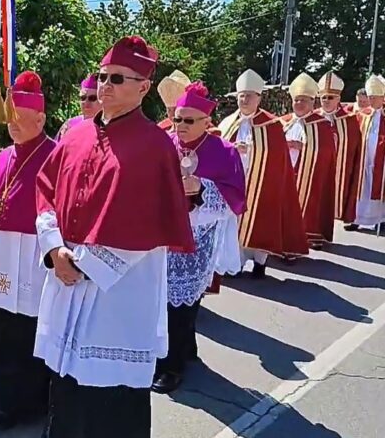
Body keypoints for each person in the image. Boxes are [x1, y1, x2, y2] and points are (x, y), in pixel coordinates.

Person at [35, 35, 194, 438]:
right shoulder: (75, 136)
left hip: (119, 291)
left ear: (143, 87)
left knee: (110, 397)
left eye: (118, 78)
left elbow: (151, 221)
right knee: (66, 386)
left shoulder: (155, 146)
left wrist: (83, 266)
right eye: (103, 76)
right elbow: (46, 189)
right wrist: (54, 249)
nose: (105, 85)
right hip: (66, 275)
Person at [152, 82, 245, 395]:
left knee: (181, 303)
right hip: (162, 234)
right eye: (177, 119)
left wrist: (202, 188)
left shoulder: (224, 151)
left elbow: (235, 198)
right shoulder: (165, 144)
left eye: (188, 120)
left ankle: (171, 366)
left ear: (207, 122)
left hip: (197, 237)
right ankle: (185, 349)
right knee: (161, 300)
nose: (179, 126)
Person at [0, 71, 56, 430]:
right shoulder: (3, 157)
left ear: (40, 119)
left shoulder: (56, 156)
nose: (12, 125)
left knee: (29, 328)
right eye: (10, 118)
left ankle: (26, 401)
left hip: (34, 256)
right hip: (1, 253)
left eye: (20, 119)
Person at [218, 70, 308, 278]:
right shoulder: (228, 122)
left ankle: (260, 263)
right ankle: (236, 263)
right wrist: (231, 149)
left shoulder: (272, 124)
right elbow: (218, 147)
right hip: (234, 182)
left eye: (249, 96)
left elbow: (277, 155)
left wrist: (250, 150)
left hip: (261, 182)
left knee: (261, 221)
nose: (245, 100)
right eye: (242, 95)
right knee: (233, 223)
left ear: (259, 98)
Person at [282, 73, 337, 248]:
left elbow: (327, 151)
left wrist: (303, 147)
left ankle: (308, 235)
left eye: (304, 100)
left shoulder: (321, 124)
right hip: (285, 172)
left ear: (313, 102)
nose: (299, 103)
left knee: (310, 202)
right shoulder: (284, 121)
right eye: (296, 100)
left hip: (308, 173)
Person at [317, 72, 363, 229]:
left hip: (339, 169)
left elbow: (356, 150)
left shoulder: (349, 120)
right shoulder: (312, 118)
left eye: (330, 97)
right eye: (323, 97)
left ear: (338, 99)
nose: (326, 100)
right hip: (316, 167)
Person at [348, 75, 385, 231]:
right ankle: (356, 219)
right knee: (361, 189)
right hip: (363, 160)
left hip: (380, 162)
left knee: (379, 188)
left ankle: (381, 220)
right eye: (370, 97)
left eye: (374, 97)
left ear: (382, 98)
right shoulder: (362, 115)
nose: (371, 100)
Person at [56, 74, 99, 140]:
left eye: (92, 98)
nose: (86, 102)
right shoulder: (69, 125)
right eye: (83, 98)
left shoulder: (105, 128)